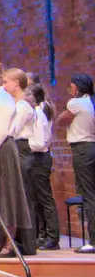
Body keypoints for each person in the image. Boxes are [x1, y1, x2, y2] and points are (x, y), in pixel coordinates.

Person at [0, 64, 35, 256]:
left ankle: (11, 243)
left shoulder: (4, 101)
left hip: (2, 148)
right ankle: (2, 239)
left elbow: (1, 131)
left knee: (9, 195)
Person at [60, 73, 95, 254]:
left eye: (71, 85)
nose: (69, 88)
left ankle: (93, 241)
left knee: (89, 195)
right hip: (93, 147)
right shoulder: (92, 102)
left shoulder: (76, 103)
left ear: (77, 87)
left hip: (83, 150)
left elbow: (60, 121)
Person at [27, 84, 59, 250]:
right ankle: (43, 234)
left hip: (39, 157)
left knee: (44, 198)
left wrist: (24, 145)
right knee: (36, 199)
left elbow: (39, 143)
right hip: (37, 157)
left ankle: (52, 237)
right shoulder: (39, 110)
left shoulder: (39, 112)